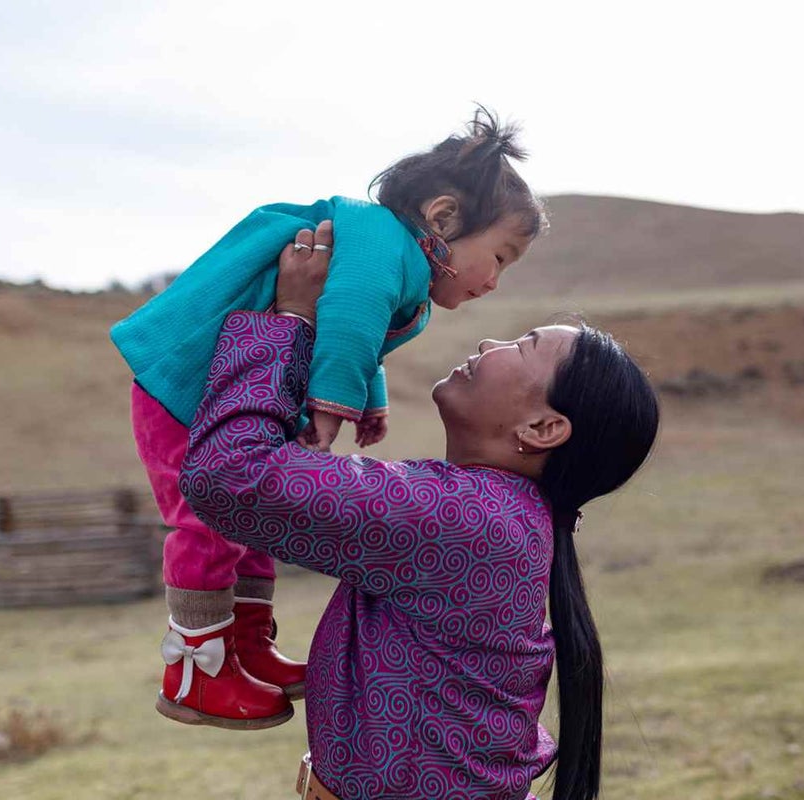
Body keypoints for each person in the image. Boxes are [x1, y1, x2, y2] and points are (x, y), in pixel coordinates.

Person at [176, 226, 660, 799]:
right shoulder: (495, 512)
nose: (488, 345)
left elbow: (231, 475)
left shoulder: (469, 517)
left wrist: (292, 320)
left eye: (522, 346)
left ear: (544, 428)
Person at [111, 108, 546, 729]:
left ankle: (247, 645)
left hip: (234, 390)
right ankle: (195, 673)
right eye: (499, 257)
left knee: (249, 522)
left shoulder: (392, 260)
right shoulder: (377, 241)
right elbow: (347, 318)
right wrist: (330, 408)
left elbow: (363, 337)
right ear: (444, 218)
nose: (495, 281)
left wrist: (369, 397)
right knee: (207, 521)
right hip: (185, 388)